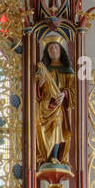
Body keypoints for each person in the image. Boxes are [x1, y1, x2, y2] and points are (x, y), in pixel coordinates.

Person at [35, 34, 75, 166]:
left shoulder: (68, 71)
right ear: (47, 52)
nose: (53, 51)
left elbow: (74, 90)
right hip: (45, 105)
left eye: (56, 48)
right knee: (42, 129)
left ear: (61, 50)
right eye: (50, 48)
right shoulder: (42, 69)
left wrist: (65, 94)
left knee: (58, 122)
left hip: (59, 105)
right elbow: (34, 93)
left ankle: (54, 156)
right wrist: (40, 84)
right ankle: (45, 156)